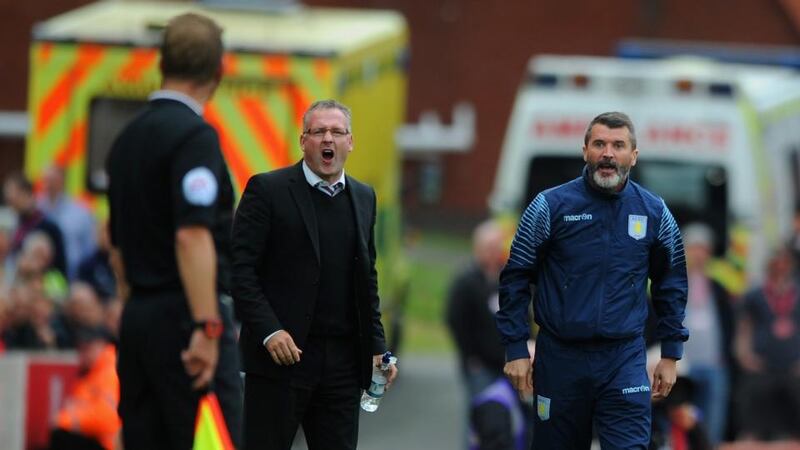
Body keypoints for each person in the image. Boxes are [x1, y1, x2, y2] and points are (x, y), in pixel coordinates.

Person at [496, 111, 689, 449]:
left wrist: (670, 354)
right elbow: (515, 278)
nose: (608, 154)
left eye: (618, 145)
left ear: (633, 155)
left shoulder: (655, 212)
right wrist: (516, 347)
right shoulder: (548, 207)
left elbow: (671, 283)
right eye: (599, 144)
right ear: (585, 150)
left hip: (624, 358)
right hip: (560, 358)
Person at [106, 13, 242, 449]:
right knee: (213, 440)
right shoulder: (194, 137)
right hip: (186, 322)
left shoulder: (126, 140)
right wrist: (207, 327)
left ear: (160, 62)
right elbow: (192, 235)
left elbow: (117, 245)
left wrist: (136, 310)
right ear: (219, 70)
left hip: (138, 320)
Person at [231, 99, 397, 450]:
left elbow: (366, 279)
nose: (328, 139)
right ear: (303, 140)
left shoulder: (364, 197)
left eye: (337, 132)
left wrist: (378, 348)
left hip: (341, 364)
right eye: (318, 131)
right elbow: (240, 270)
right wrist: (269, 330)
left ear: (350, 142)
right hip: (281, 361)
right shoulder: (268, 190)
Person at [734, 247, 800, 441]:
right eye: (776, 264)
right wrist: (744, 355)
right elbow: (744, 326)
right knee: (755, 411)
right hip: (762, 364)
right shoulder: (755, 294)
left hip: (794, 365)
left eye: (784, 264)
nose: (780, 268)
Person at [50, 326, 121, 450]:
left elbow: (106, 418)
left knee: (60, 435)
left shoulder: (110, 373)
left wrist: (65, 420)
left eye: (88, 348)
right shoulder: (91, 373)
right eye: (81, 349)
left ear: (102, 345)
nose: (83, 354)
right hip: (91, 438)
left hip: (106, 443)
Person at [38, 165, 97, 280]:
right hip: (39, 279)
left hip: (72, 278)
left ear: (62, 181)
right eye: (46, 180)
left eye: (52, 180)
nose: (48, 185)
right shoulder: (36, 210)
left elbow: (89, 249)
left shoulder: (80, 213)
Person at [3, 173, 67, 277]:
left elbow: (59, 268)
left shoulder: (49, 227)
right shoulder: (14, 225)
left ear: (27, 194)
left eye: (13, 198)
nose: (10, 204)